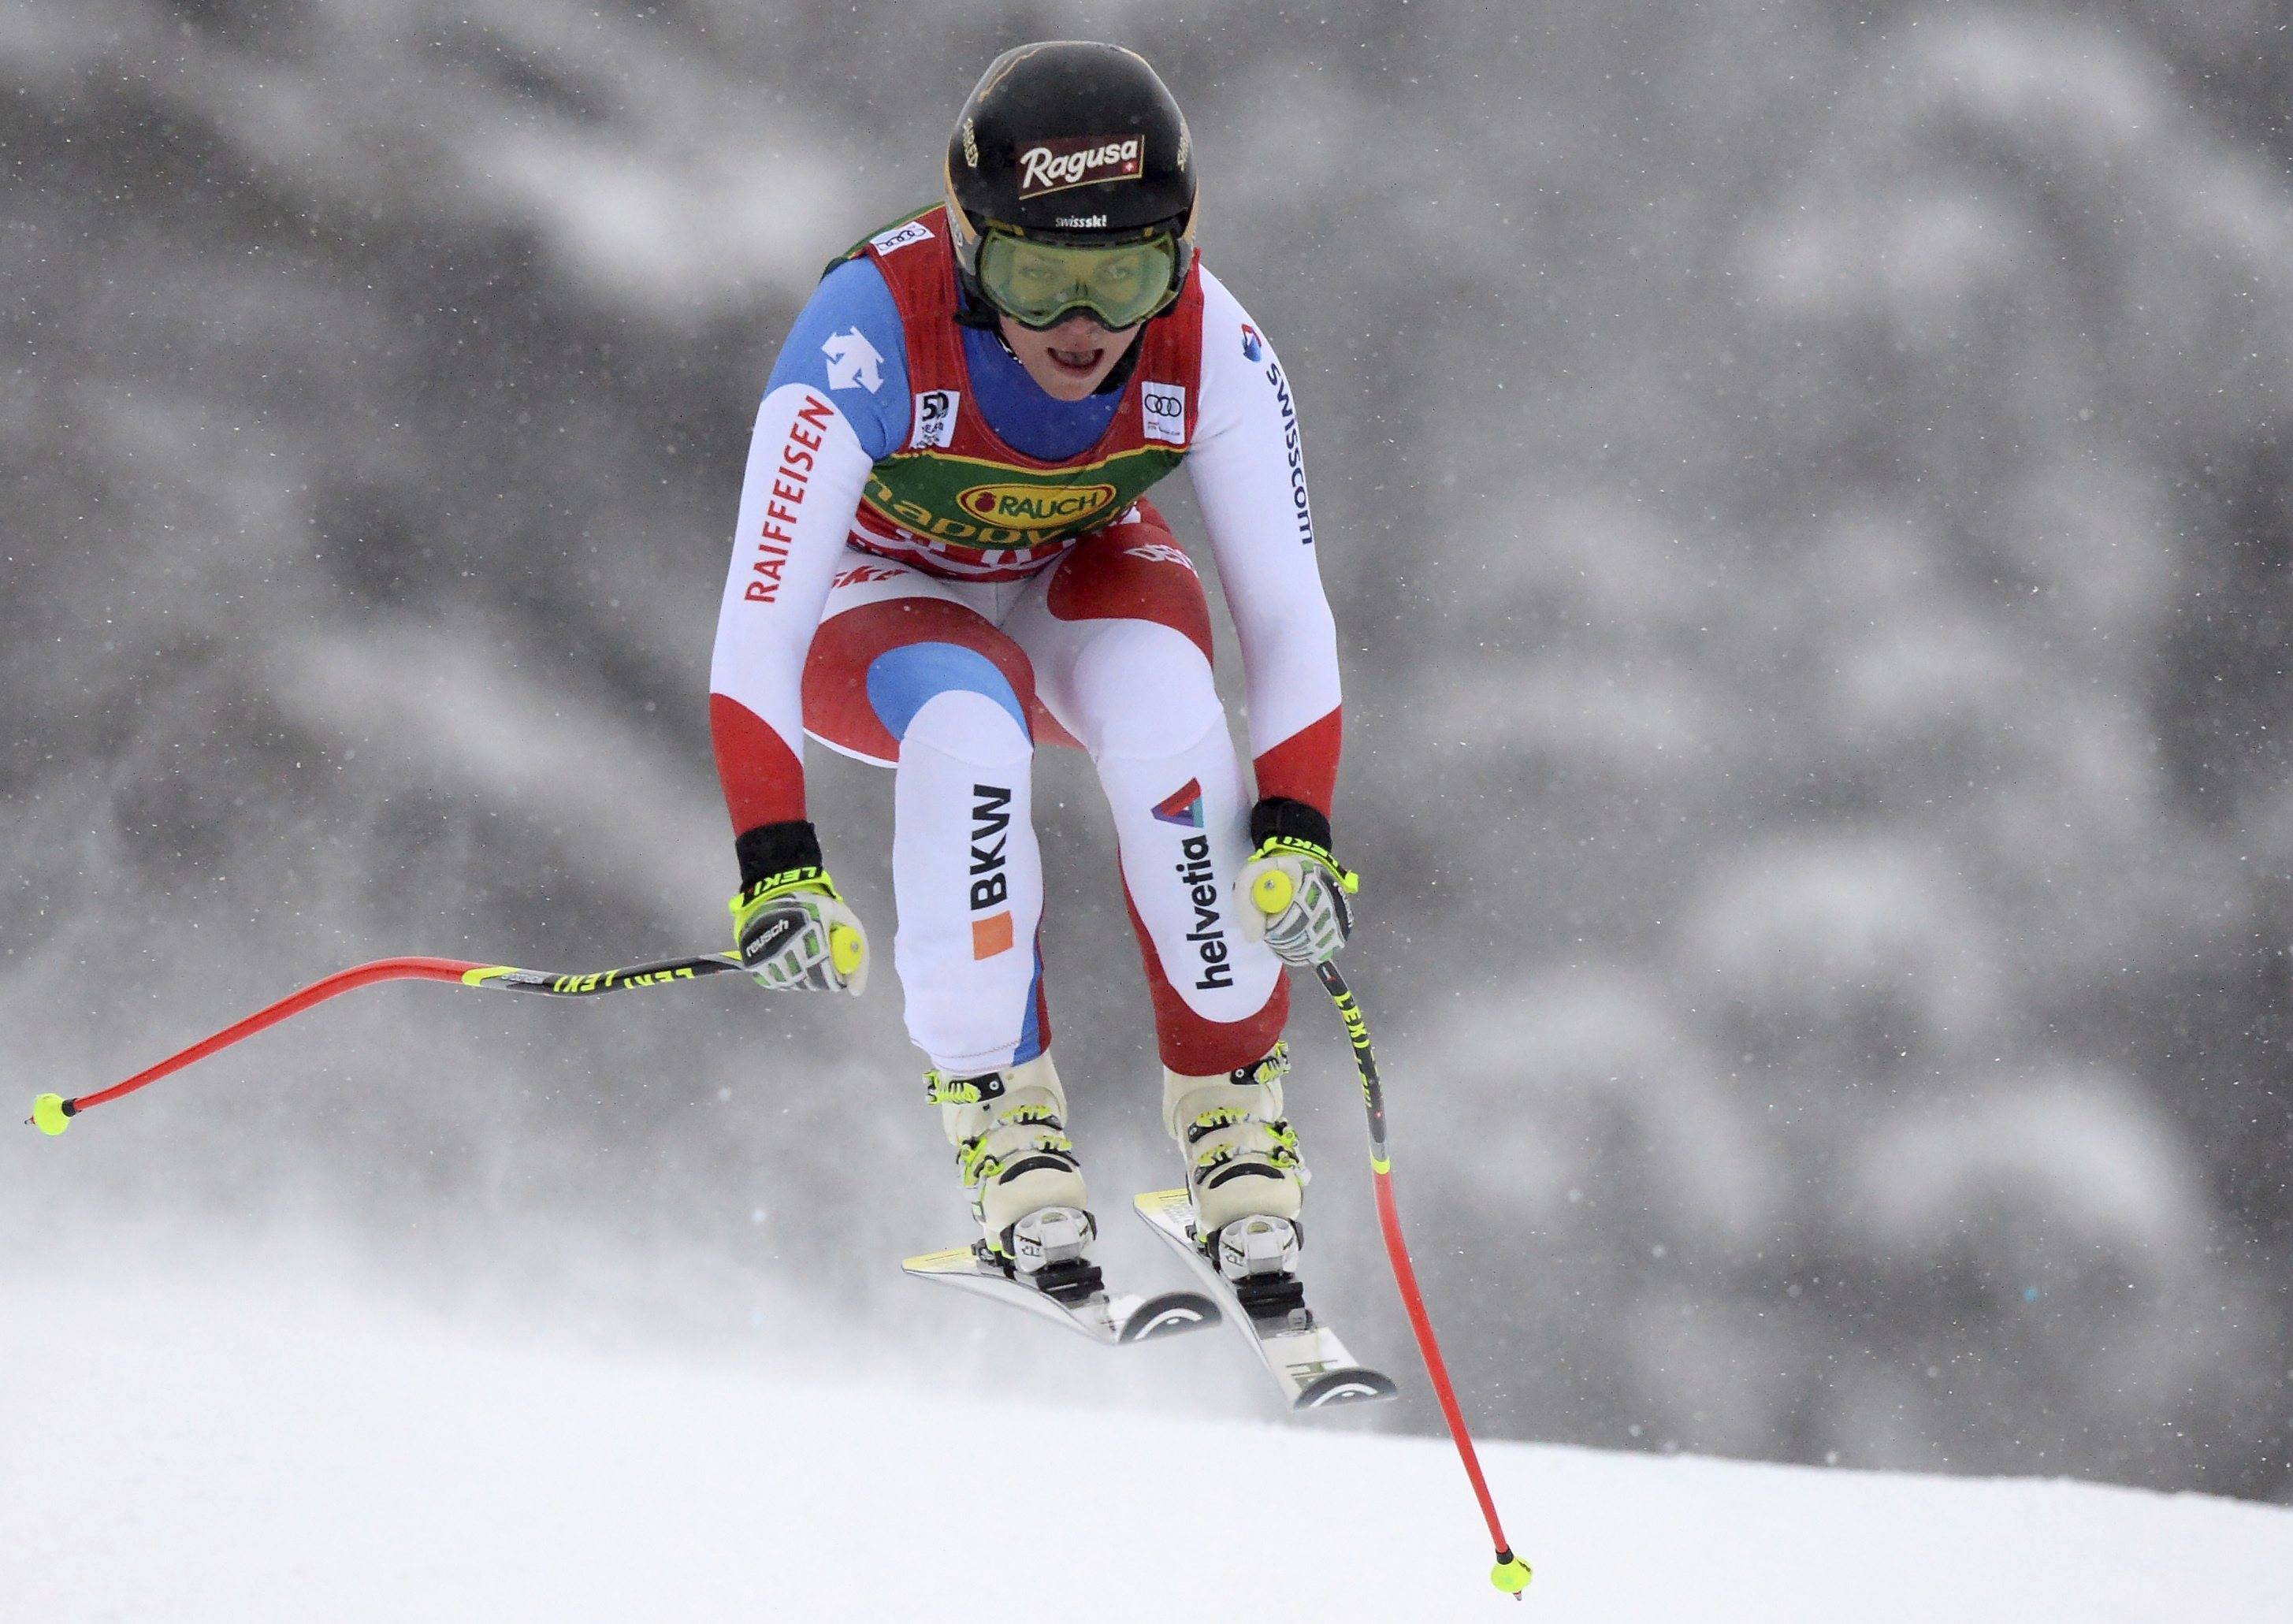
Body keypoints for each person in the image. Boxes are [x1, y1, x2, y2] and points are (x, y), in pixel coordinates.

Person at [707, 40, 1355, 1291]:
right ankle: (1002, 1113)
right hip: (874, 597)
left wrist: (1296, 827)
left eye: (1122, 278)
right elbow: (757, 626)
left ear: (1175, 255)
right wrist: (776, 862)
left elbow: (1286, 614)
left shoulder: (1208, 341)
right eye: (1034, 273)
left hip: (1070, 561)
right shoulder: (864, 331)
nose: (1079, 325)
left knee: (1170, 702)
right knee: (969, 723)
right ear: (964, 244)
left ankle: (1232, 1108)